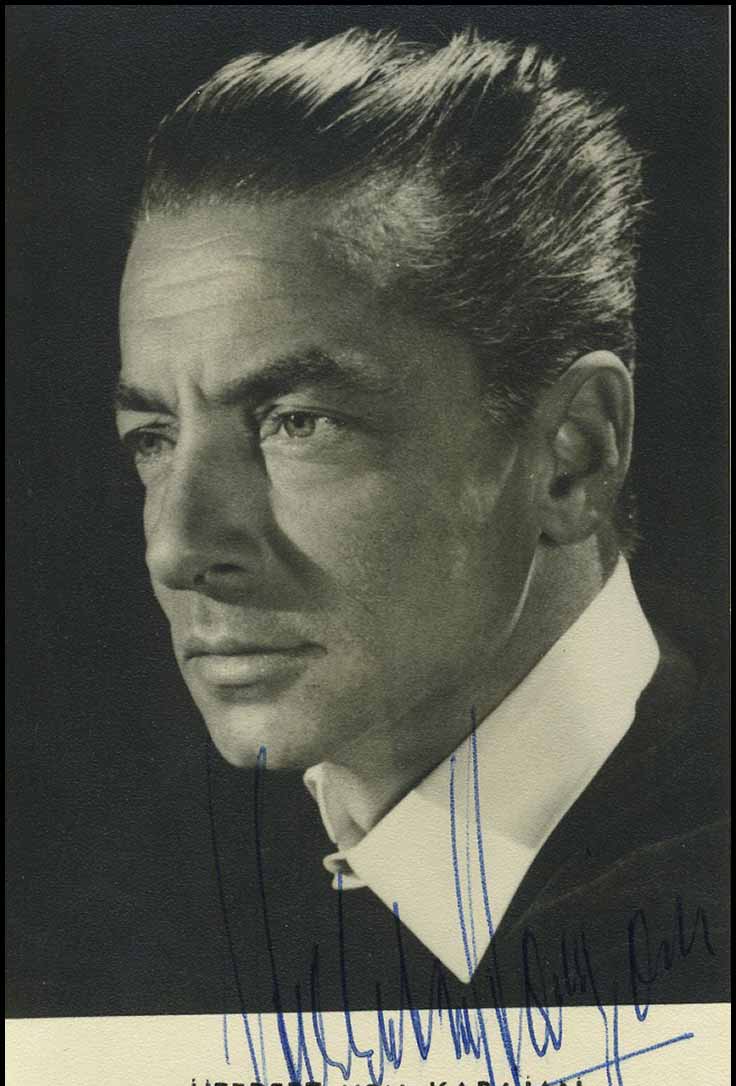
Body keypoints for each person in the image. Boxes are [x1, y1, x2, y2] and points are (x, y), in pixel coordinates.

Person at [114, 28, 727, 1012]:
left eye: (297, 423)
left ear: (572, 454)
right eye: (153, 437)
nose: (177, 547)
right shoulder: (146, 905)